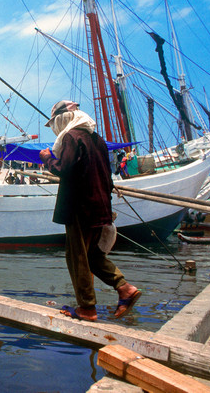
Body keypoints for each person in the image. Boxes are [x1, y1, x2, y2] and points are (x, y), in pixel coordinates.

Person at [38, 100, 140, 321]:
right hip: (99, 203)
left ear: (61, 120)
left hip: (80, 206)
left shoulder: (71, 137)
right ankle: (124, 288)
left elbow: (64, 169)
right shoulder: (97, 139)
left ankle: (87, 307)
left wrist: (47, 159)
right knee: (92, 254)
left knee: (77, 256)